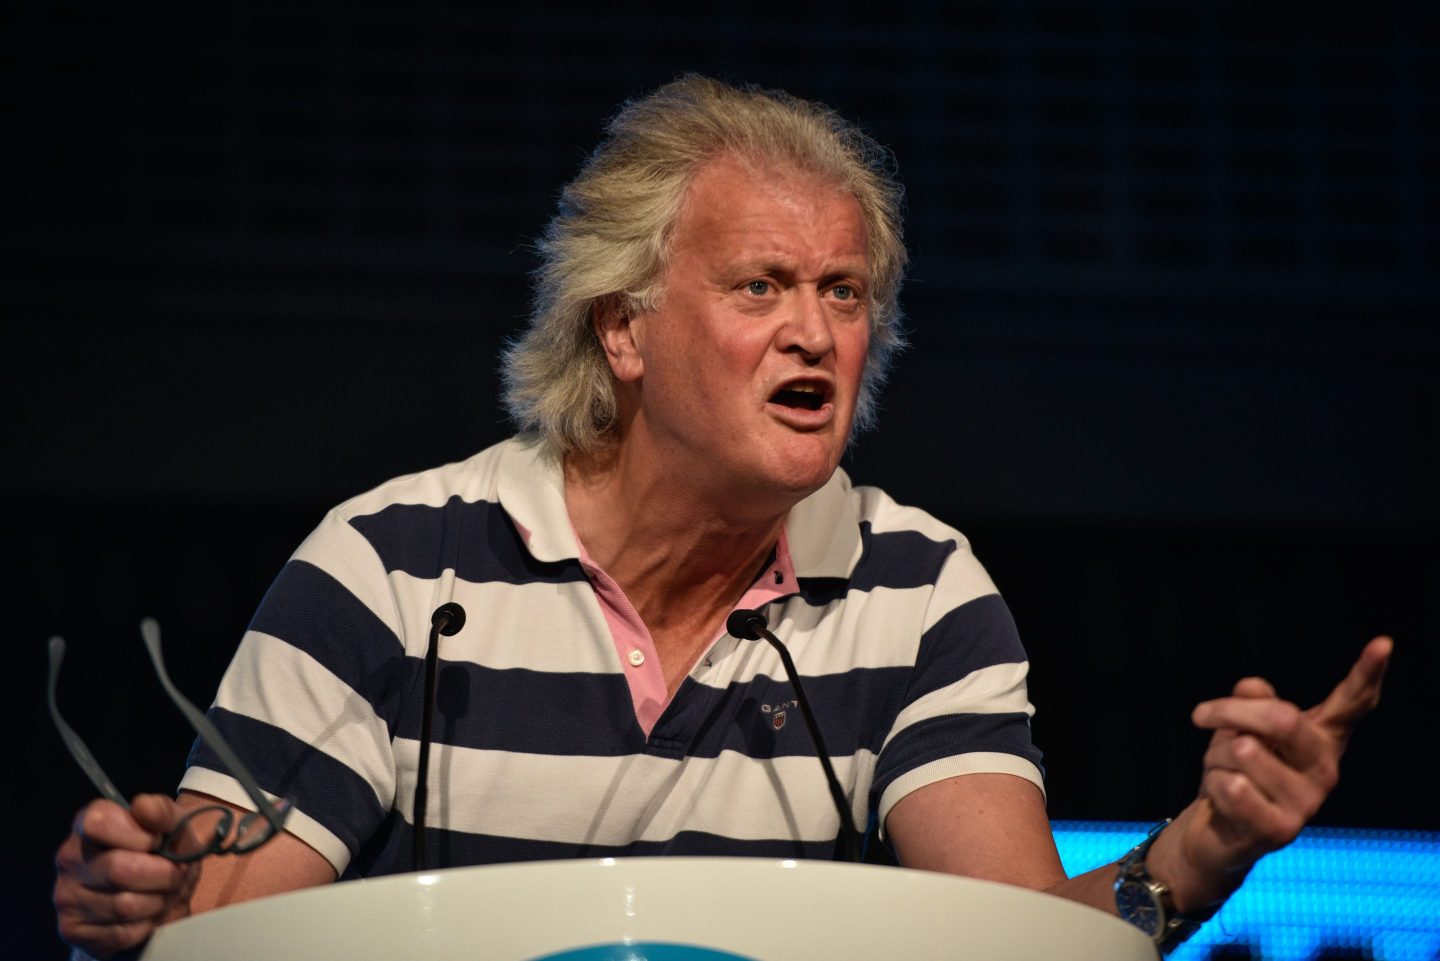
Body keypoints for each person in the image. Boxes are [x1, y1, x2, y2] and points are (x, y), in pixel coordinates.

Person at [53, 75, 1392, 959]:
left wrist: (1207, 848)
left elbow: (1012, 945)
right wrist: (142, 905)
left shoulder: (913, 589)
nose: (816, 330)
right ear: (626, 329)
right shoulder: (395, 566)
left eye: (846, 291)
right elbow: (216, 927)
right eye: (760, 286)